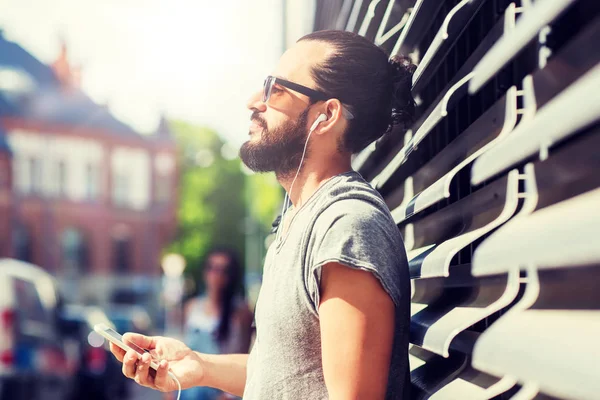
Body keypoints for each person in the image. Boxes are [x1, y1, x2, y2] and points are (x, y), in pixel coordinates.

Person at [111, 30, 414, 399]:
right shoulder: (300, 219)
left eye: (277, 90)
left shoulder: (348, 226)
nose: (255, 101)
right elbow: (285, 373)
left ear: (325, 116)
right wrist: (200, 366)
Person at [180, 248, 252, 400]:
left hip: (220, 390)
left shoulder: (241, 312)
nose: (216, 275)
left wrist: (228, 396)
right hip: (189, 387)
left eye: (223, 270)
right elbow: (186, 348)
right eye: (211, 268)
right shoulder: (192, 307)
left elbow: (243, 358)